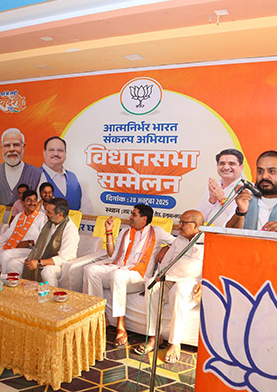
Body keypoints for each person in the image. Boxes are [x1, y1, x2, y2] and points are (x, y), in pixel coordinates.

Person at [83, 204, 175, 347]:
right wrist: (109, 231)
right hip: (118, 269)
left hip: (138, 276)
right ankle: (100, 316)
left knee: (117, 274)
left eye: (134, 214)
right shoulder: (125, 231)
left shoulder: (156, 232)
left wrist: (165, 248)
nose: (130, 217)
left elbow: (177, 244)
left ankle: (121, 325)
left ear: (144, 219)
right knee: (90, 270)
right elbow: (112, 255)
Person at [136, 210, 205, 363]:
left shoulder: (207, 241)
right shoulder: (179, 240)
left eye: (183, 223)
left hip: (190, 282)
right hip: (170, 278)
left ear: (196, 225)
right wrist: (159, 275)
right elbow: (166, 262)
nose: (179, 226)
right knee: (151, 286)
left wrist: (204, 283)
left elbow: (213, 266)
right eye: (180, 222)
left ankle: (174, 343)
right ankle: (154, 337)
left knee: (178, 290)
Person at [0, 189, 47, 279]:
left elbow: (44, 239)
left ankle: (4, 281)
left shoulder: (42, 218)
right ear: (23, 203)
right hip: (13, 245)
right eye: (29, 200)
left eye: (34, 200)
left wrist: (30, 243)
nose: (32, 203)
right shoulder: (19, 216)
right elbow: (8, 234)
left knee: (6, 254)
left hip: (30, 249)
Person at [7, 198, 79, 287]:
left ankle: (50, 294)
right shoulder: (49, 222)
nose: (46, 214)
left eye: (49, 212)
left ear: (60, 214)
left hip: (60, 264)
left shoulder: (70, 230)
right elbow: (40, 245)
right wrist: (36, 259)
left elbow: (63, 258)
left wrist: (39, 262)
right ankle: (18, 292)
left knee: (47, 272)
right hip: (41, 257)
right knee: (14, 264)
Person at [0, 128, 42, 206]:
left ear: (23, 147)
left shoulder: (38, 174)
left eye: (16, 145)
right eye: (7, 145)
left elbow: (39, 206)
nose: (11, 149)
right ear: (2, 148)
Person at [38, 136, 92, 213]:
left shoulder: (73, 177)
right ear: (44, 152)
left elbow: (87, 208)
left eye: (60, 150)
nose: (56, 154)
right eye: (51, 150)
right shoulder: (36, 176)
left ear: (65, 153)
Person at [196, 149, 244, 227]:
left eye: (231, 163)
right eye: (222, 163)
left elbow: (241, 219)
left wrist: (222, 199)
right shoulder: (213, 186)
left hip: (229, 234)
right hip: (208, 233)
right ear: (217, 166)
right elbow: (199, 218)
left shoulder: (246, 189)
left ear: (241, 167)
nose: (226, 167)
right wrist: (212, 201)